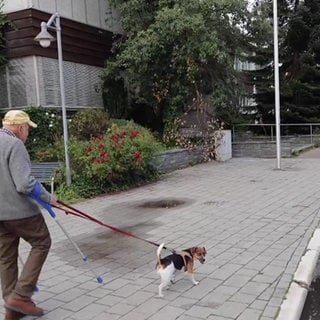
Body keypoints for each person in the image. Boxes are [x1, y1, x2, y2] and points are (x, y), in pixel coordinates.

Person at [0, 110, 57, 320]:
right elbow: (24, 183)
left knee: (6, 257)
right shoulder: (15, 145)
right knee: (42, 242)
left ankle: (11, 307)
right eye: (28, 130)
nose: (28, 134)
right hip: (19, 212)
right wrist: (48, 198)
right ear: (21, 127)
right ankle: (21, 297)